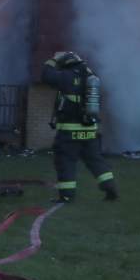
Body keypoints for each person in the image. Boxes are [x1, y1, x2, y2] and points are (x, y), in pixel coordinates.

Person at [42, 51, 118, 203]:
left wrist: (53, 60)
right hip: (90, 131)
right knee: (96, 161)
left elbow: (46, 75)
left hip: (70, 132)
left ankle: (66, 195)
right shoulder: (91, 76)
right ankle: (111, 190)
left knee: (65, 161)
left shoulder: (67, 76)